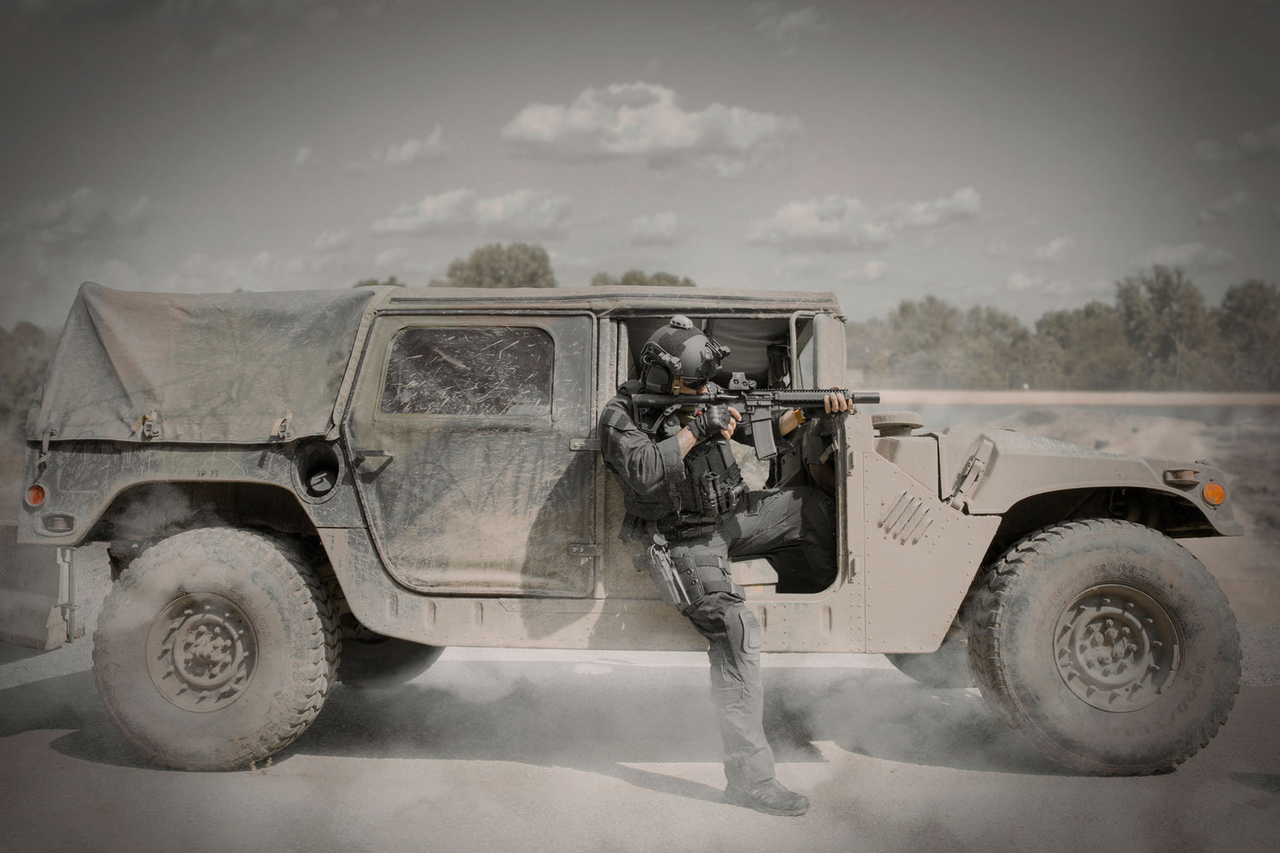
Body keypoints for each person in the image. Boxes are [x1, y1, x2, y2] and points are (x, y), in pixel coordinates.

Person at [597, 315, 849, 817]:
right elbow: (646, 474)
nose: (700, 389)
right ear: (659, 376)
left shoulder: (705, 392)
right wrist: (696, 429)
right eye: (690, 384)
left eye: (700, 383)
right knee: (735, 629)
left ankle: (790, 669)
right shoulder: (620, 415)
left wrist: (807, 412)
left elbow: (762, 436)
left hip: (728, 518)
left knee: (814, 510)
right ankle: (750, 781)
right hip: (682, 538)